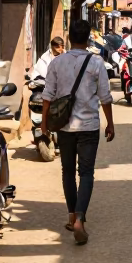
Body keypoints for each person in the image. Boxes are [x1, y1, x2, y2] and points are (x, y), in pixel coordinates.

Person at [41, 18, 115, 246]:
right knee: (86, 173)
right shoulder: (96, 63)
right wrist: (110, 123)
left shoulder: (56, 62)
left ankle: (72, 215)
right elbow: (105, 97)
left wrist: (44, 123)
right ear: (88, 39)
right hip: (89, 126)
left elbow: (47, 95)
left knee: (67, 172)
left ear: (70, 38)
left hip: (64, 127)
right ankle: (80, 217)